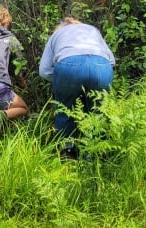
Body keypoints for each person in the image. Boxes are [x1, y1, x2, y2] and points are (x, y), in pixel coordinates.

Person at [39, 17, 115, 158]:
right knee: (98, 112)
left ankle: (68, 153)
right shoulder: (93, 30)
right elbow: (112, 60)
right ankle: (95, 155)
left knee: (64, 109)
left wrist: (60, 80)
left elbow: (43, 71)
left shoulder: (57, 35)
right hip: (101, 66)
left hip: (69, 66)